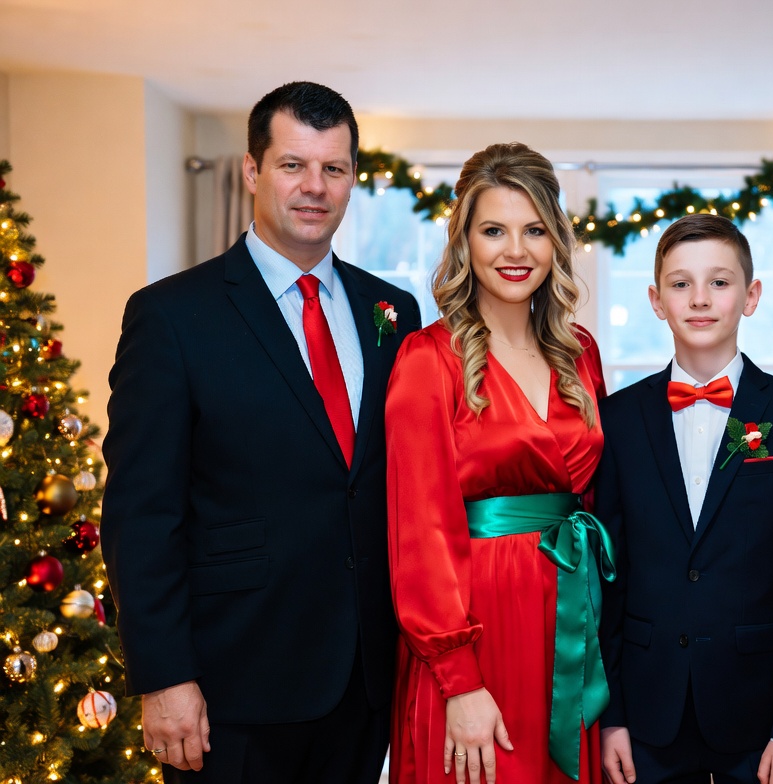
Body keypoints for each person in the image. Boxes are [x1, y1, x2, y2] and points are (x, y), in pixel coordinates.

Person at [102, 81, 421, 783]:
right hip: (232, 683)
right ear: (252, 170)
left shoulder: (393, 310)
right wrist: (164, 675)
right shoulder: (172, 315)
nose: (315, 187)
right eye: (292, 165)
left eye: (333, 168)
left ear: (353, 179)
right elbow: (141, 511)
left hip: (366, 680)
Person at [384, 142, 609, 784]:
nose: (516, 250)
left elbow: (595, 498)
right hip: (475, 625)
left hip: (571, 614)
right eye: (494, 231)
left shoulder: (580, 351)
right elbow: (418, 531)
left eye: (534, 230)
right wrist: (458, 680)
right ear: (465, 241)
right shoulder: (428, 358)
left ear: (556, 240)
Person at [594, 213, 773, 784]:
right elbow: (608, 580)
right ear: (657, 301)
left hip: (759, 715)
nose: (700, 299)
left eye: (719, 282)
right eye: (681, 284)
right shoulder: (617, 419)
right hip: (647, 714)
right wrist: (611, 717)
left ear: (750, 296)